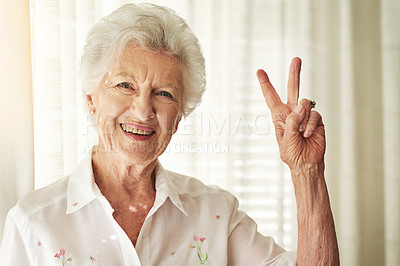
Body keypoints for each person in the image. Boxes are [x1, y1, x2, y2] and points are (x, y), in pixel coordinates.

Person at [0, 3, 339, 265]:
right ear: (91, 99)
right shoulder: (32, 222)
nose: (144, 110)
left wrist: (306, 172)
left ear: (179, 115)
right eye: (124, 85)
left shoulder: (215, 212)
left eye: (164, 93)